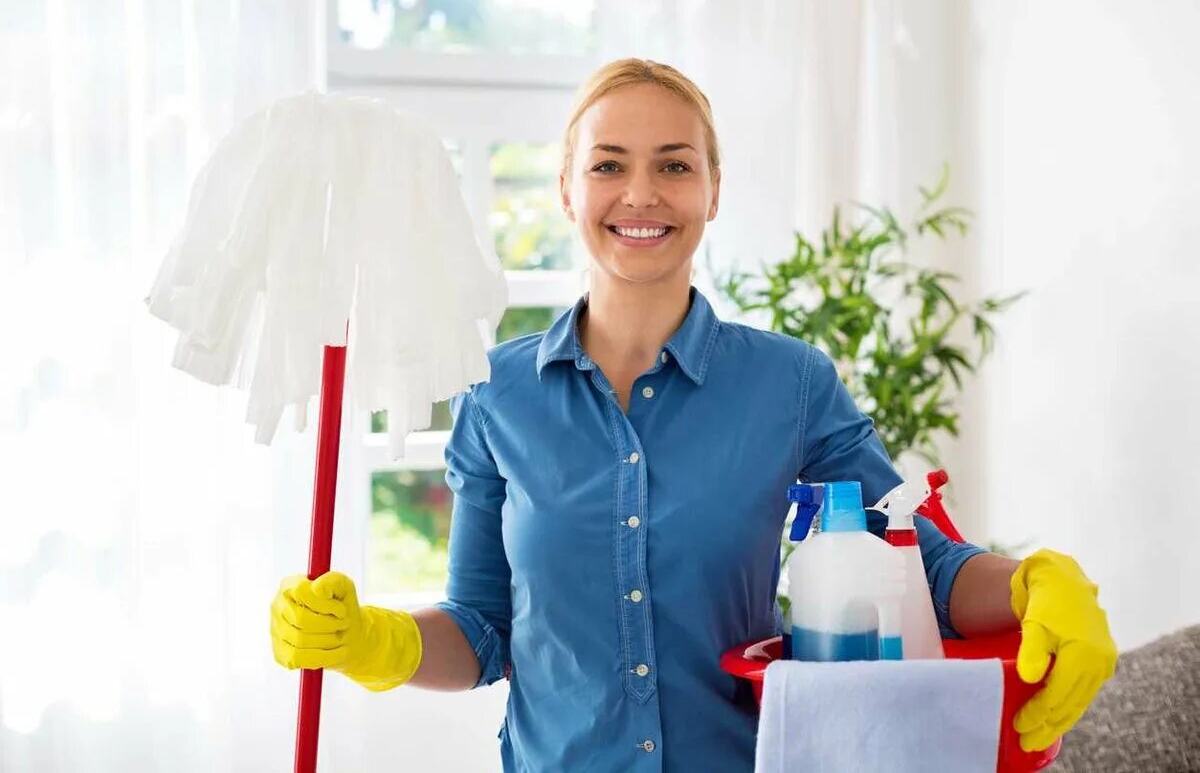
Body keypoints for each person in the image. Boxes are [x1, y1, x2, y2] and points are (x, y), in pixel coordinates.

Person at [270, 58, 1117, 771]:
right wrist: (373, 642)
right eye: (608, 164)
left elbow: (924, 569)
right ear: (566, 190)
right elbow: (483, 631)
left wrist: (1032, 579)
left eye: (675, 164)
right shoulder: (495, 393)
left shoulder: (789, 385)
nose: (641, 193)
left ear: (714, 192)